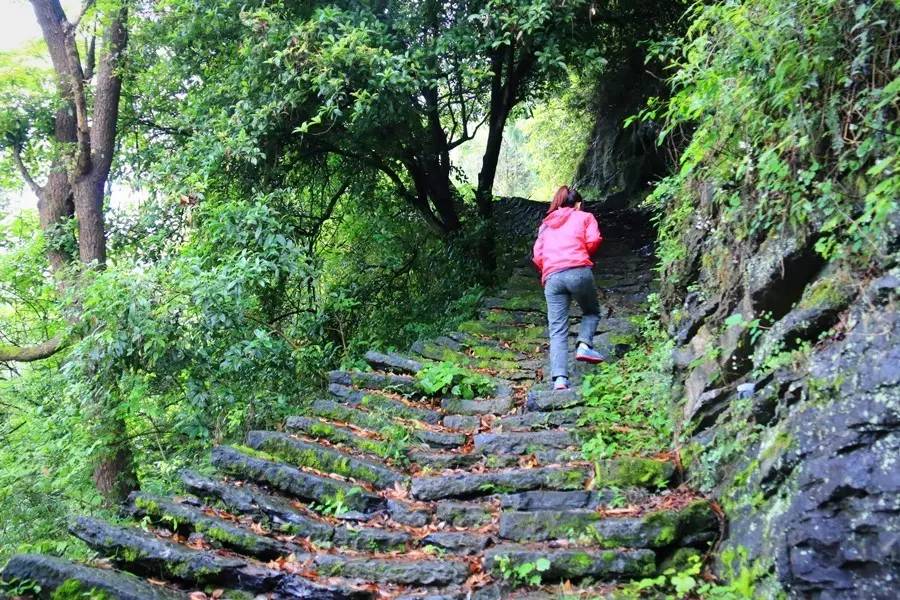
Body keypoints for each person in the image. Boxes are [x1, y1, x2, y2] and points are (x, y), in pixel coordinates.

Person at [532, 185, 604, 391]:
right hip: (577, 270)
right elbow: (593, 240)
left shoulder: (546, 225)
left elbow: (537, 255)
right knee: (591, 312)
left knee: (557, 330)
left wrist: (550, 267)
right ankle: (584, 345)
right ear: (578, 204)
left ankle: (560, 380)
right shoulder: (585, 217)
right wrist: (581, 252)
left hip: (552, 278)